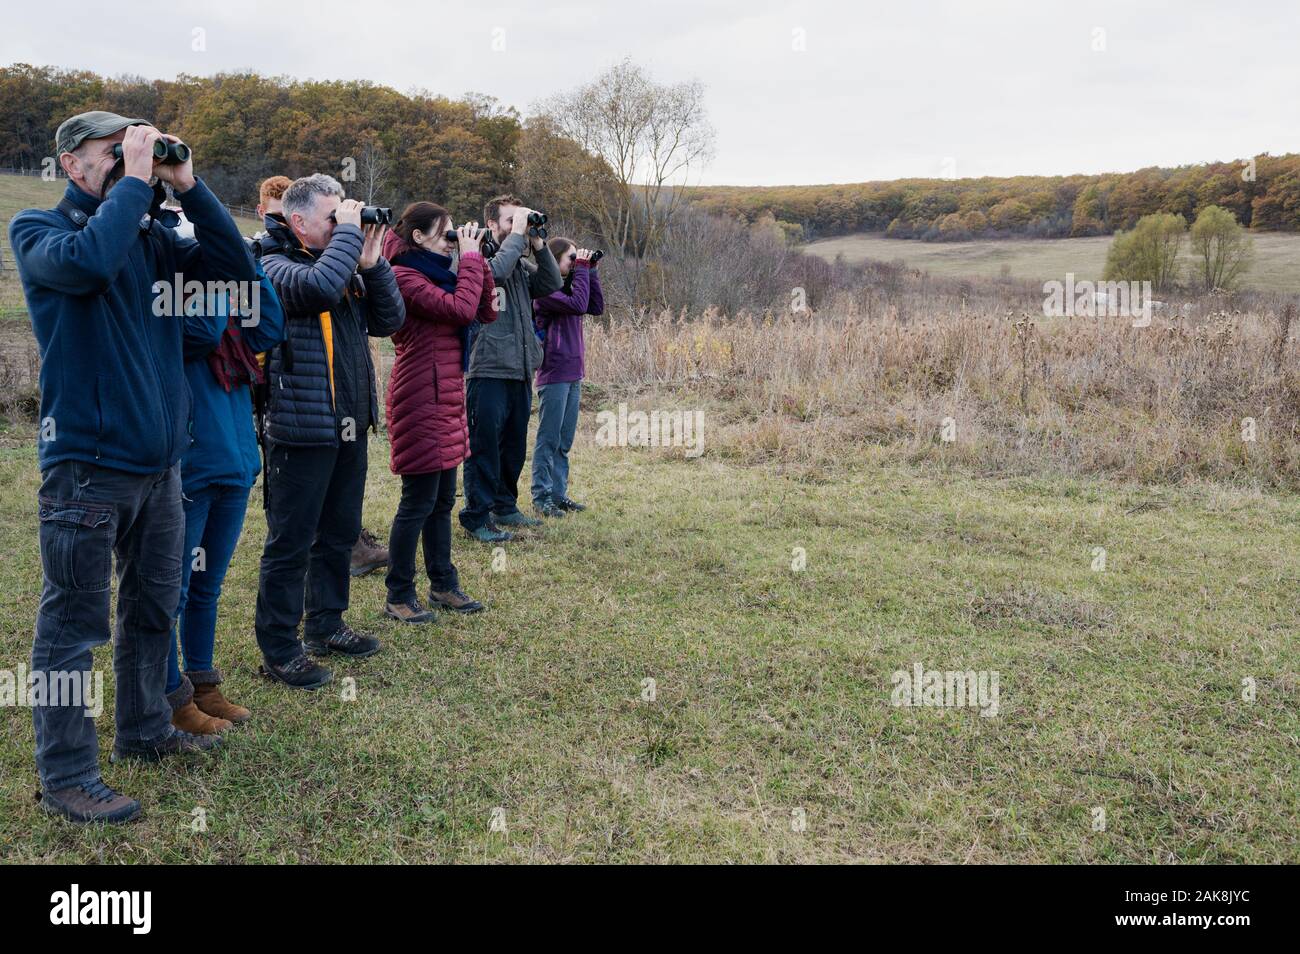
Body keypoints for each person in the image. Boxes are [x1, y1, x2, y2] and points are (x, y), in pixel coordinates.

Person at [9, 111, 257, 823]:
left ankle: (147, 731)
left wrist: (190, 186)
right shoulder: (38, 232)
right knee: (70, 628)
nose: (126, 161)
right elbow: (89, 263)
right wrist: (138, 181)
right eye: (112, 152)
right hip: (86, 465)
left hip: (161, 467)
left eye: (134, 150)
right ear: (71, 165)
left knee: (153, 610)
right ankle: (64, 776)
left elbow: (238, 282)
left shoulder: (152, 240)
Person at [254, 173, 405, 690]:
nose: (344, 223)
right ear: (298, 221)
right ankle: (279, 649)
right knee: (291, 541)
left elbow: (389, 318)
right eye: (332, 216)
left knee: (339, 533)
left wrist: (373, 261)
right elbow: (315, 290)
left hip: (347, 423)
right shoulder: (272, 262)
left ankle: (325, 624)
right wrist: (347, 238)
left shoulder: (344, 264)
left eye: (345, 214)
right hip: (299, 428)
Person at [166, 261, 286, 733]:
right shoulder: (177, 305)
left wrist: (243, 264)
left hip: (235, 467)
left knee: (206, 587)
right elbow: (201, 330)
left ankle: (203, 683)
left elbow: (271, 325)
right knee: (173, 592)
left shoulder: (234, 323)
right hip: (194, 471)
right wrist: (214, 280)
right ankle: (169, 695)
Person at [380, 203, 497, 621]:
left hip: (445, 395)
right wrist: (466, 258)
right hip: (420, 395)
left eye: (455, 234)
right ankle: (398, 594)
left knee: (443, 499)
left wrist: (477, 258)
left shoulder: (445, 275)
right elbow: (460, 311)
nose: (453, 241)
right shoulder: (404, 277)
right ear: (418, 237)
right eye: (446, 233)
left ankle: (443, 584)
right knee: (418, 501)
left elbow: (486, 310)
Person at [459, 195, 562, 542]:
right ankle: (476, 515)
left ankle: (505, 505)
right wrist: (518, 237)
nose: (515, 227)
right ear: (491, 225)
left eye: (518, 221)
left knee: (514, 445)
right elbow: (495, 273)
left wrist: (538, 243)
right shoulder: (478, 258)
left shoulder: (517, 260)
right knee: (484, 446)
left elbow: (551, 284)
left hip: (519, 368)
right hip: (487, 368)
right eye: (509, 221)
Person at [531, 238, 603, 517]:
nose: (575, 263)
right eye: (571, 259)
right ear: (554, 260)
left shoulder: (572, 286)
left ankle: (558, 494)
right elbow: (577, 304)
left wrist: (591, 271)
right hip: (554, 372)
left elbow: (594, 306)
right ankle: (541, 496)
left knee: (564, 440)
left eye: (577, 259)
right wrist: (583, 269)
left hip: (574, 372)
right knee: (548, 438)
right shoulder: (546, 291)